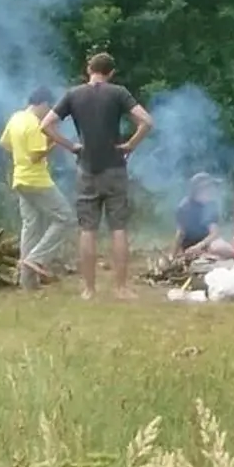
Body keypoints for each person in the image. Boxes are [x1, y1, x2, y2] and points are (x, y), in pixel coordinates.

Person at [44, 52, 155, 301]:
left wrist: (70, 146)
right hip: (115, 167)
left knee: (88, 229)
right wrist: (130, 145)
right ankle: (121, 288)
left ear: (88, 69)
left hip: (86, 168)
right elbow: (146, 121)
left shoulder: (73, 94)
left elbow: (46, 125)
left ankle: (89, 290)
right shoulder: (118, 93)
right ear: (111, 72)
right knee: (118, 228)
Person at [0, 87, 77, 288]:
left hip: (19, 178)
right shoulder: (35, 124)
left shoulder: (16, 117)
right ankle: (36, 259)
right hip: (36, 180)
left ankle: (28, 283)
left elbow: (4, 143)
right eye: (49, 107)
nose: (50, 112)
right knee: (66, 218)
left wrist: (21, 153)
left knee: (31, 226)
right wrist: (53, 143)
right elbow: (35, 156)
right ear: (42, 104)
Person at [172, 173, 234, 260]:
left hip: (208, 243)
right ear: (200, 190)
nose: (212, 191)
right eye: (209, 188)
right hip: (191, 247)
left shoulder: (211, 204)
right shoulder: (184, 207)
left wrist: (200, 246)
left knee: (219, 247)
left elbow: (214, 233)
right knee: (211, 251)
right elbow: (180, 233)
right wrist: (173, 256)